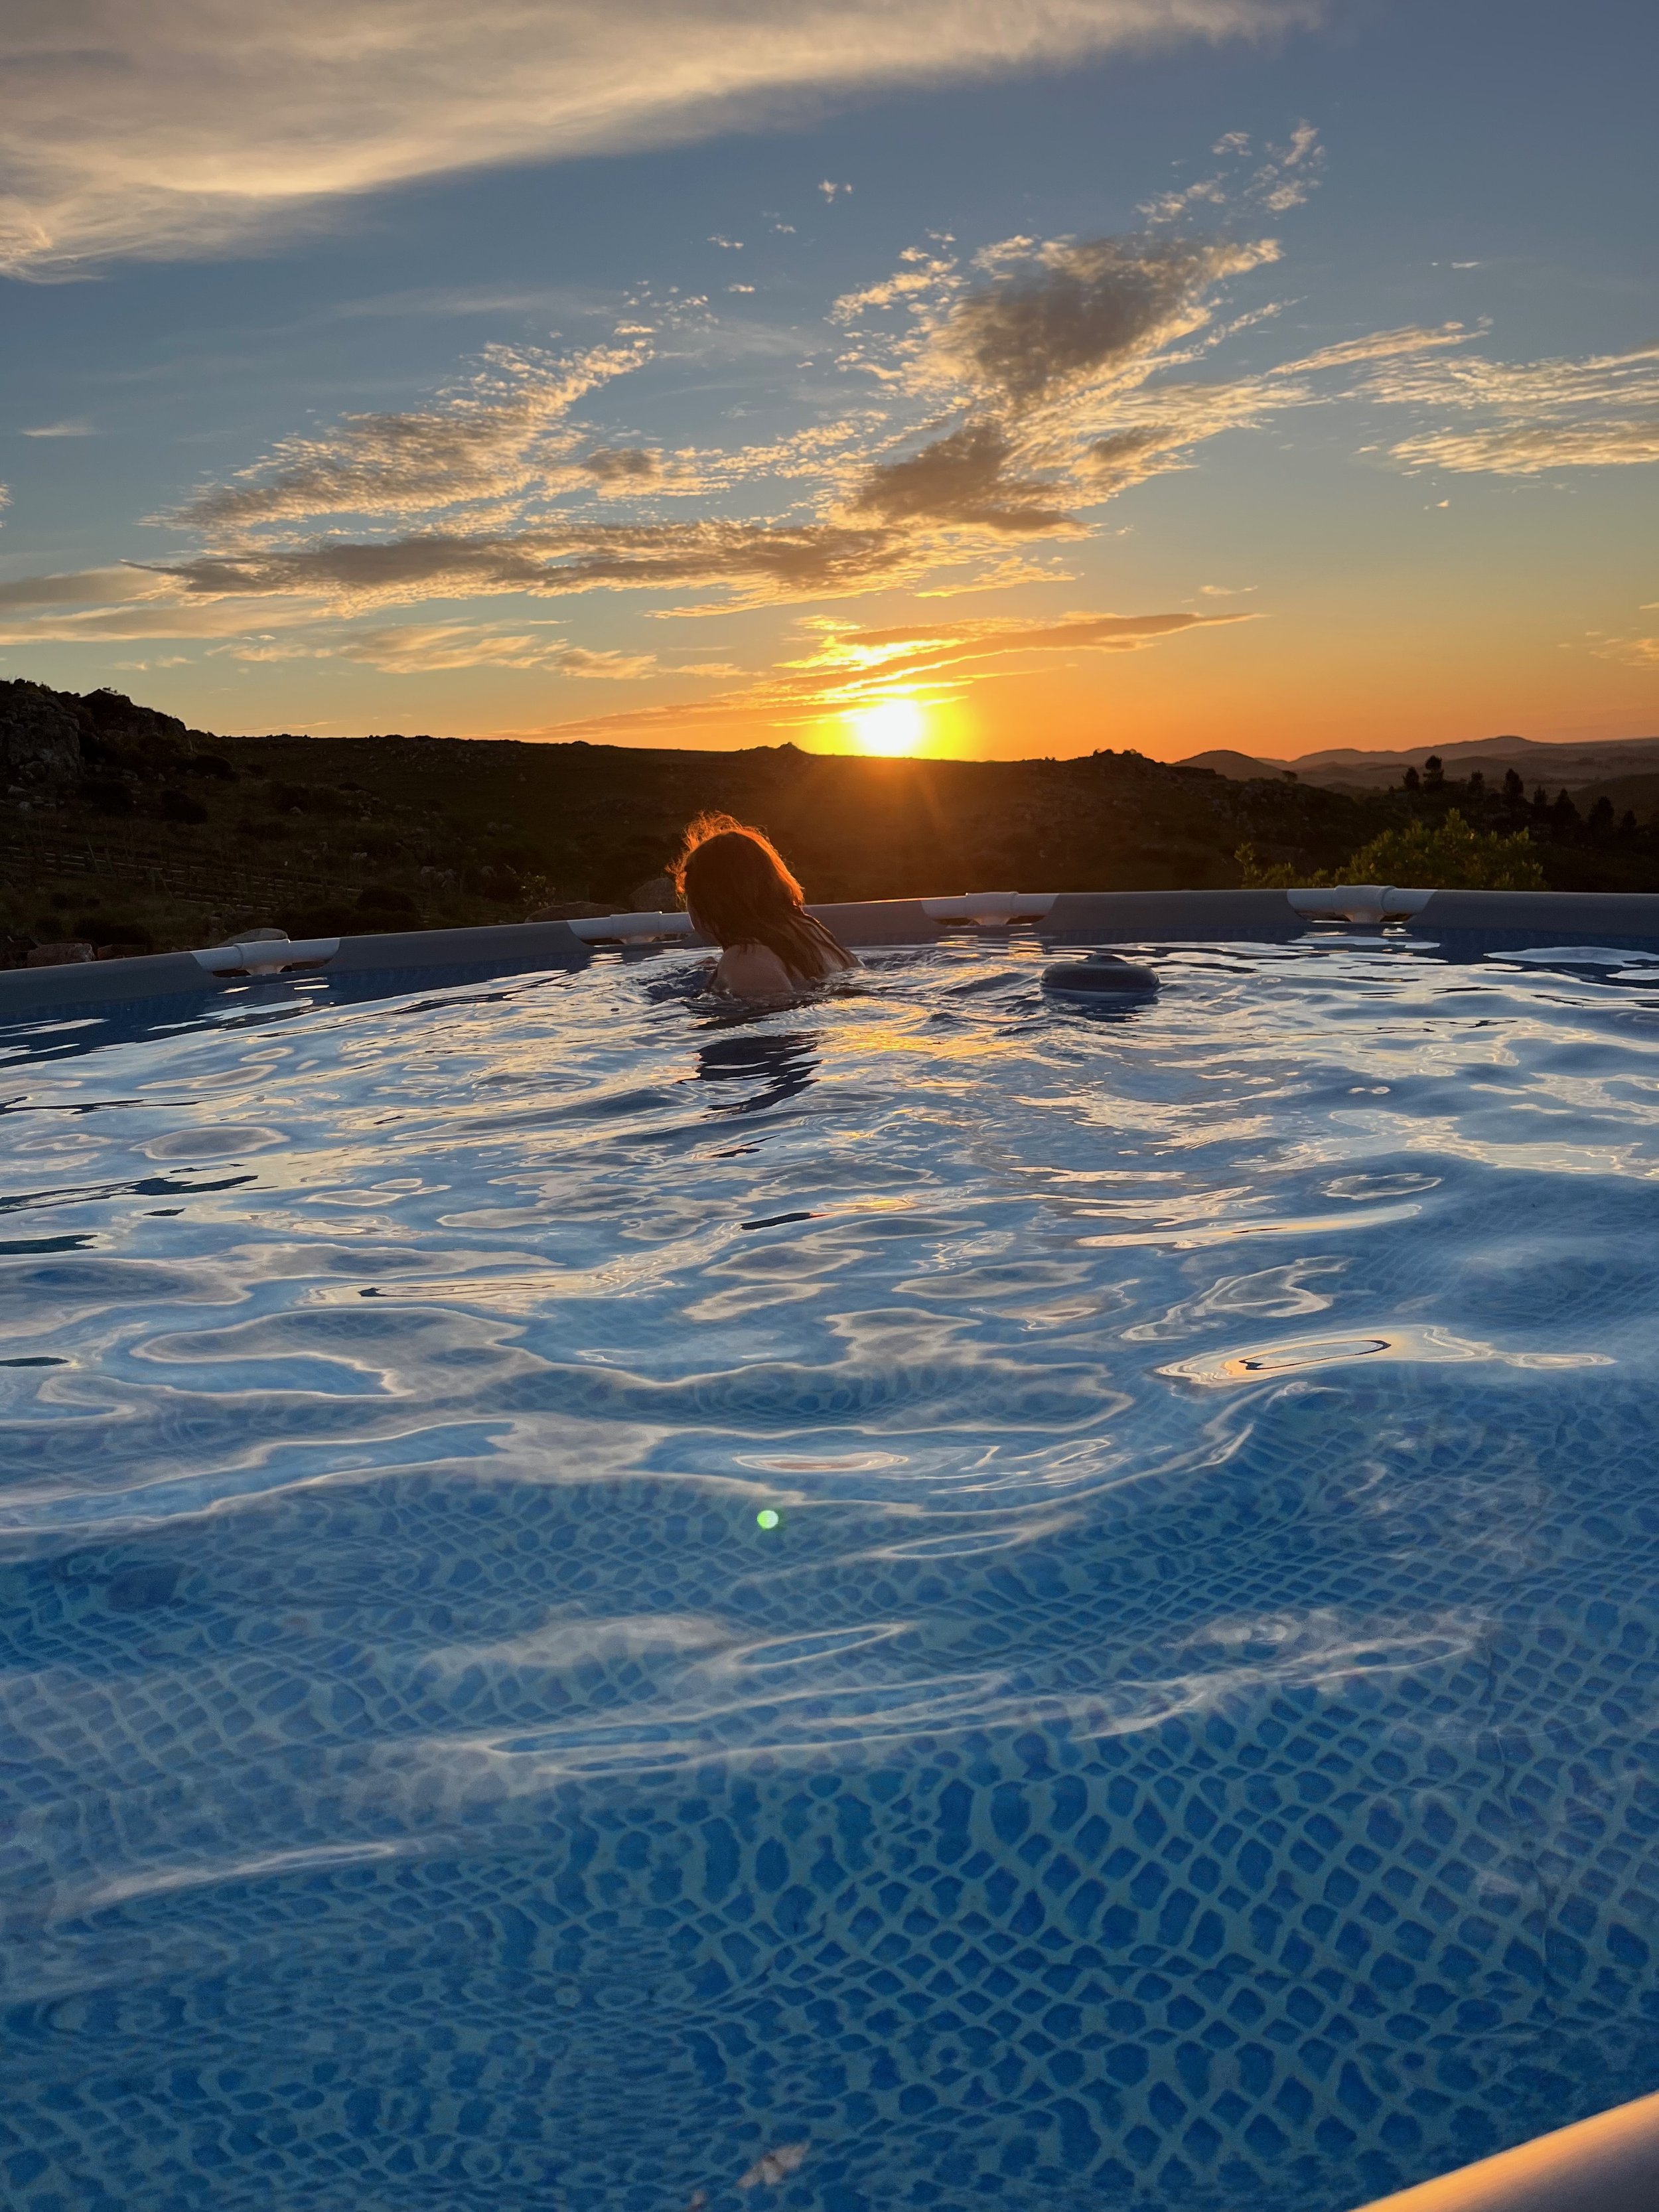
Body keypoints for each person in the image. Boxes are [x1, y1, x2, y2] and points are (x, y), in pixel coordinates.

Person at [670, 812, 857, 997]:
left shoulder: (744, 959)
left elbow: (770, 1018)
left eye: (688, 894)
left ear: (708, 902)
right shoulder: (810, 931)